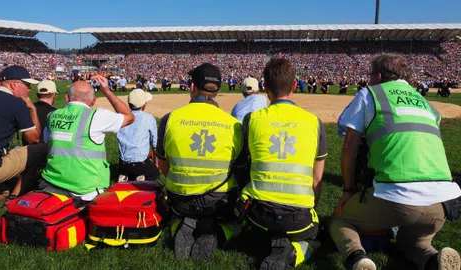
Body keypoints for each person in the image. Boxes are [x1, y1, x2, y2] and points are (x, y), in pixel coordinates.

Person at [331, 54, 461, 270]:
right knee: (414, 243)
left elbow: (349, 148)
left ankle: (357, 258)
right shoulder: (423, 101)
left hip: (397, 197)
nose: (369, 79)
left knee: (340, 220)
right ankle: (433, 258)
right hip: (442, 203)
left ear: (379, 75)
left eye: (370, 75)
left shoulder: (370, 94)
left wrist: (348, 190)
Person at [238, 59, 327, 269]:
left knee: (254, 224)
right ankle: (294, 253)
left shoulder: (251, 119)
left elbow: (243, 165)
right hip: (299, 219)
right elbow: (317, 179)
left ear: (265, 88)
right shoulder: (314, 122)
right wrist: (309, 207)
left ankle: (259, 239)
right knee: (318, 234)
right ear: (295, 87)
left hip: (259, 216)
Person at [156, 63, 244, 260]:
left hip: (180, 200)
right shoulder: (233, 124)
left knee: (181, 212)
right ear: (218, 91)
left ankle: (179, 225)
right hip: (218, 202)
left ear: (192, 87)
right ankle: (218, 233)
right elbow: (239, 169)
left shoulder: (170, 119)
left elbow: (161, 165)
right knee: (238, 223)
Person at [39, 76, 134, 201]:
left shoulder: (52, 116)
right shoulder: (97, 116)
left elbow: (47, 142)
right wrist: (107, 91)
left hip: (51, 182)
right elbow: (129, 117)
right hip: (86, 188)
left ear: (67, 98)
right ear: (93, 101)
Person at [0, 66, 47, 202]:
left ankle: (4, 192)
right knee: (40, 149)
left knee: (2, 191)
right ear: (14, 85)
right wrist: (32, 109)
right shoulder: (17, 103)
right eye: (27, 85)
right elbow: (34, 139)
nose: (29, 89)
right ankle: (15, 197)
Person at [117, 89, 159, 182]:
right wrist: (156, 164)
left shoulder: (122, 117)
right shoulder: (148, 118)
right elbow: (155, 144)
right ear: (144, 105)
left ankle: (125, 176)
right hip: (141, 165)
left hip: (123, 165)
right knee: (156, 172)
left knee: (126, 167)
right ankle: (141, 177)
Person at [21, 80, 57, 146]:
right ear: (54, 95)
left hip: (27, 150)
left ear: (37, 95)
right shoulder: (55, 113)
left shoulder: (27, 108)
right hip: (45, 152)